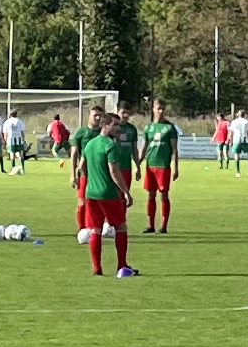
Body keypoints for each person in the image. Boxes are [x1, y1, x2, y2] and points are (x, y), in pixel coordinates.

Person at [75, 104, 138, 278]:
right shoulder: (110, 145)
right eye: (115, 125)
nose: (119, 128)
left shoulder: (90, 144)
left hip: (91, 194)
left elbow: (81, 167)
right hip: (108, 194)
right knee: (121, 227)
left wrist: (91, 180)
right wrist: (126, 192)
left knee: (95, 230)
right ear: (105, 126)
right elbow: (114, 171)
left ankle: (97, 268)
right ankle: (122, 265)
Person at [139, 101, 180, 234]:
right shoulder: (148, 127)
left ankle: (164, 226)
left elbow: (174, 150)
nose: (161, 111)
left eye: (163, 108)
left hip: (163, 166)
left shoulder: (170, 127)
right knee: (151, 195)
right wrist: (138, 165)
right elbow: (144, 148)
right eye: (158, 108)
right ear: (153, 109)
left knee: (164, 195)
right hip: (150, 166)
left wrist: (175, 168)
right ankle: (151, 225)